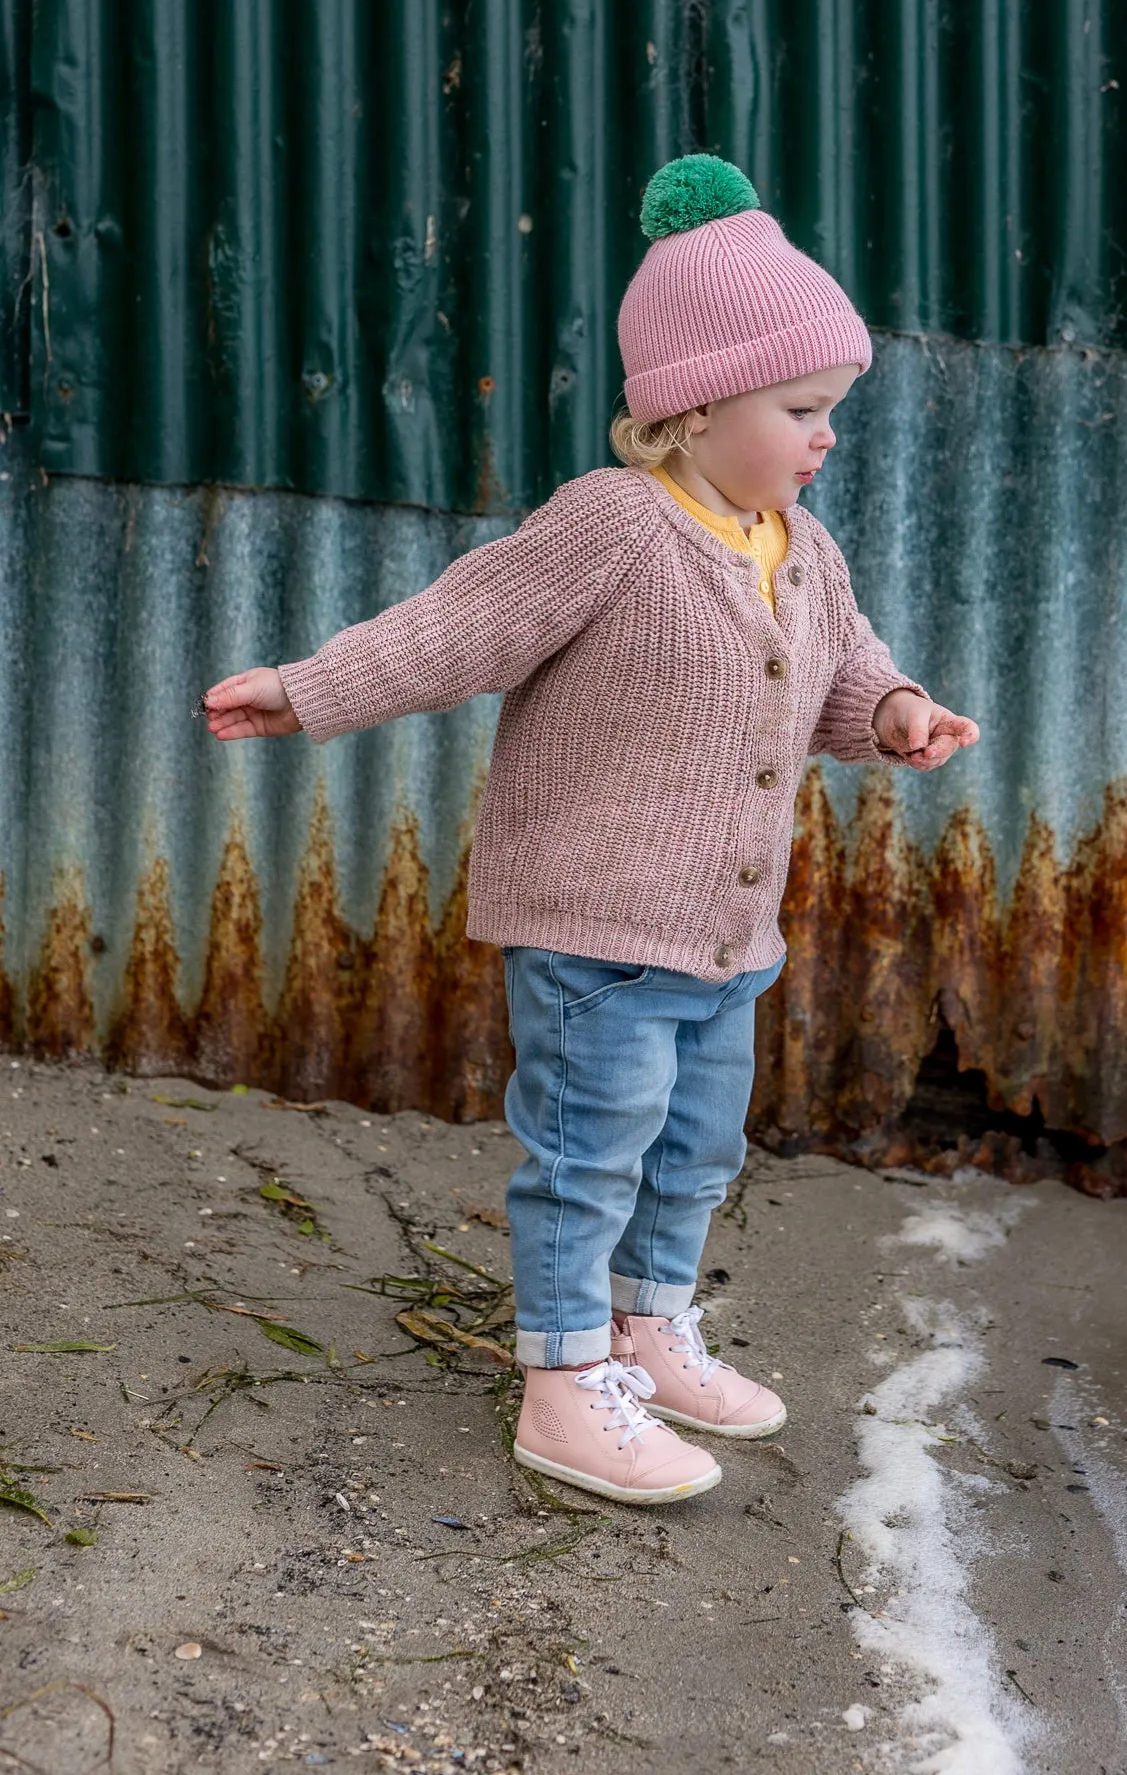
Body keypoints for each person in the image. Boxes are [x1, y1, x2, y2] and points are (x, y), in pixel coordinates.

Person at [204, 155, 979, 1505]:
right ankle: (562, 1386)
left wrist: (895, 711)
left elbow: (840, 661)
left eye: (830, 410)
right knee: (591, 1147)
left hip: (724, 938)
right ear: (689, 407)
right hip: (593, 926)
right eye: (800, 408)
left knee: (696, 1149)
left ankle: (647, 1331)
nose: (824, 438)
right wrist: (313, 687)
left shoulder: (796, 540)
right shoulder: (614, 524)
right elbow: (459, 626)